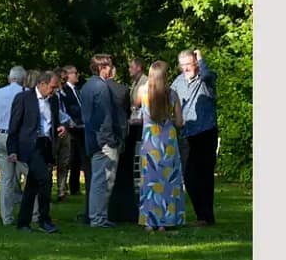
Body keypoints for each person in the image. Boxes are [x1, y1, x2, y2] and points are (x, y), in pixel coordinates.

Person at [7, 70, 64, 233]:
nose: (53, 91)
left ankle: (23, 222)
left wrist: (60, 128)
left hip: (45, 144)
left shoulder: (53, 101)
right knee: (45, 180)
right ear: (42, 84)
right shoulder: (24, 98)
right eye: (52, 87)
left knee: (32, 184)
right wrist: (12, 150)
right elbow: (14, 125)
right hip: (30, 146)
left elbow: (55, 121)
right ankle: (44, 220)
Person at [136, 60, 187, 231]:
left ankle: (150, 221)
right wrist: (169, 120)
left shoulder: (142, 91)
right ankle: (165, 221)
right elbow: (180, 122)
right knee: (168, 181)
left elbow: (137, 109)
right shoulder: (172, 94)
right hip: (168, 140)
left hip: (151, 139)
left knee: (150, 181)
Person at [171, 49, 220, 226]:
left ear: (195, 64)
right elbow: (169, 99)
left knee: (204, 175)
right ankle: (202, 215)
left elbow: (207, 75)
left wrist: (200, 59)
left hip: (206, 132)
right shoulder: (177, 83)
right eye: (182, 65)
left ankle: (206, 217)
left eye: (189, 64)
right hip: (188, 134)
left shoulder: (205, 79)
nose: (186, 69)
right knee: (189, 176)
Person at [80, 54, 126, 228]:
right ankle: (98, 218)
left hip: (92, 138)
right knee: (104, 181)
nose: (110, 70)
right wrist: (110, 139)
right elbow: (106, 117)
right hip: (104, 140)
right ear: (102, 67)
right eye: (109, 66)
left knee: (98, 180)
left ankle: (98, 216)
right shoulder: (102, 87)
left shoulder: (86, 86)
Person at [0, 67, 27, 225]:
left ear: (10, 78)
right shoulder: (25, 92)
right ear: (23, 79)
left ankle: (7, 217)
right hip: (17, 137)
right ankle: (33, 212)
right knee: (30, 173)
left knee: (6, 179)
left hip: (0, 135)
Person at [53, 65, 85, 201]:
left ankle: (62, 190)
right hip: (59, 128)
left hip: (68, 128)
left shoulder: (65, 92)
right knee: (56, 159)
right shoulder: (55, 93)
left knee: (65, 161)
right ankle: (58, 189)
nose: (63, 80)